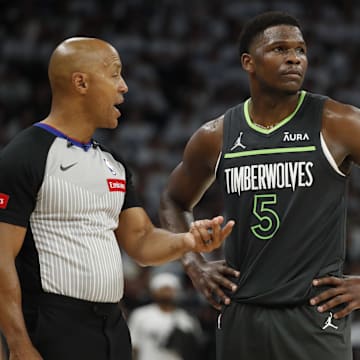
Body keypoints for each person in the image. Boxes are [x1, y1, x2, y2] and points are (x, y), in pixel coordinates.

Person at [0, 37, 235, 360]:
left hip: (112, 324)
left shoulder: (113, 164)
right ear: (80, 82)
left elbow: (140, 242)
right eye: (114, 74)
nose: (124, 87)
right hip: (51, 325)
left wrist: (187, 240)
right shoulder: (24, 156)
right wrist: (18, 345)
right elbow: (0, 259)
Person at [159, 11, 360, 360]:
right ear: (248, 62)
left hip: (312, 316)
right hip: (241, 314)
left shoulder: (338, 122)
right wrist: (194, 265)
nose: (294, 57)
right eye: (280, 49)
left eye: (300, 49)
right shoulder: (216, 135)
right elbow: (172, 200)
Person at [128, 272, 202, 360]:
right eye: (163, 289)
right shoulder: (140, 315)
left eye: (170, 289)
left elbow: (195, 350)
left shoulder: (186, 318)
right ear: (154, 292)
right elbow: (133, 346)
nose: (167, 292)